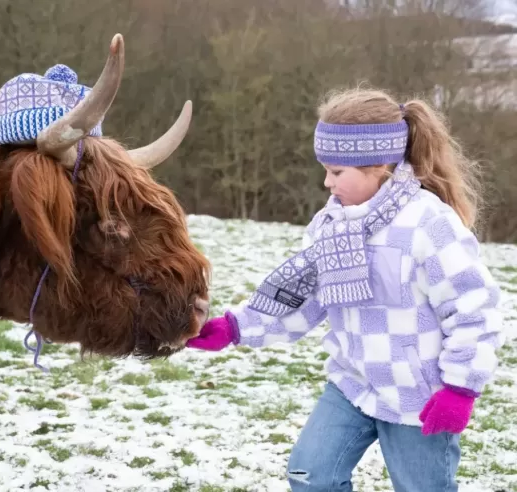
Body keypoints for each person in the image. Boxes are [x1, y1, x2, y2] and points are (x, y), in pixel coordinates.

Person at [187, 87, 504, 492]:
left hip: (418, 397)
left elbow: (475, 308)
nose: (326, 182)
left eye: (337, 172)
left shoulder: (429, 224)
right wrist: (236, 328)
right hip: (352, 383)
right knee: (310, 475)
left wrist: (460, 387)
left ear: (380, 165)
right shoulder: (331, 224)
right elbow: (301, 293)